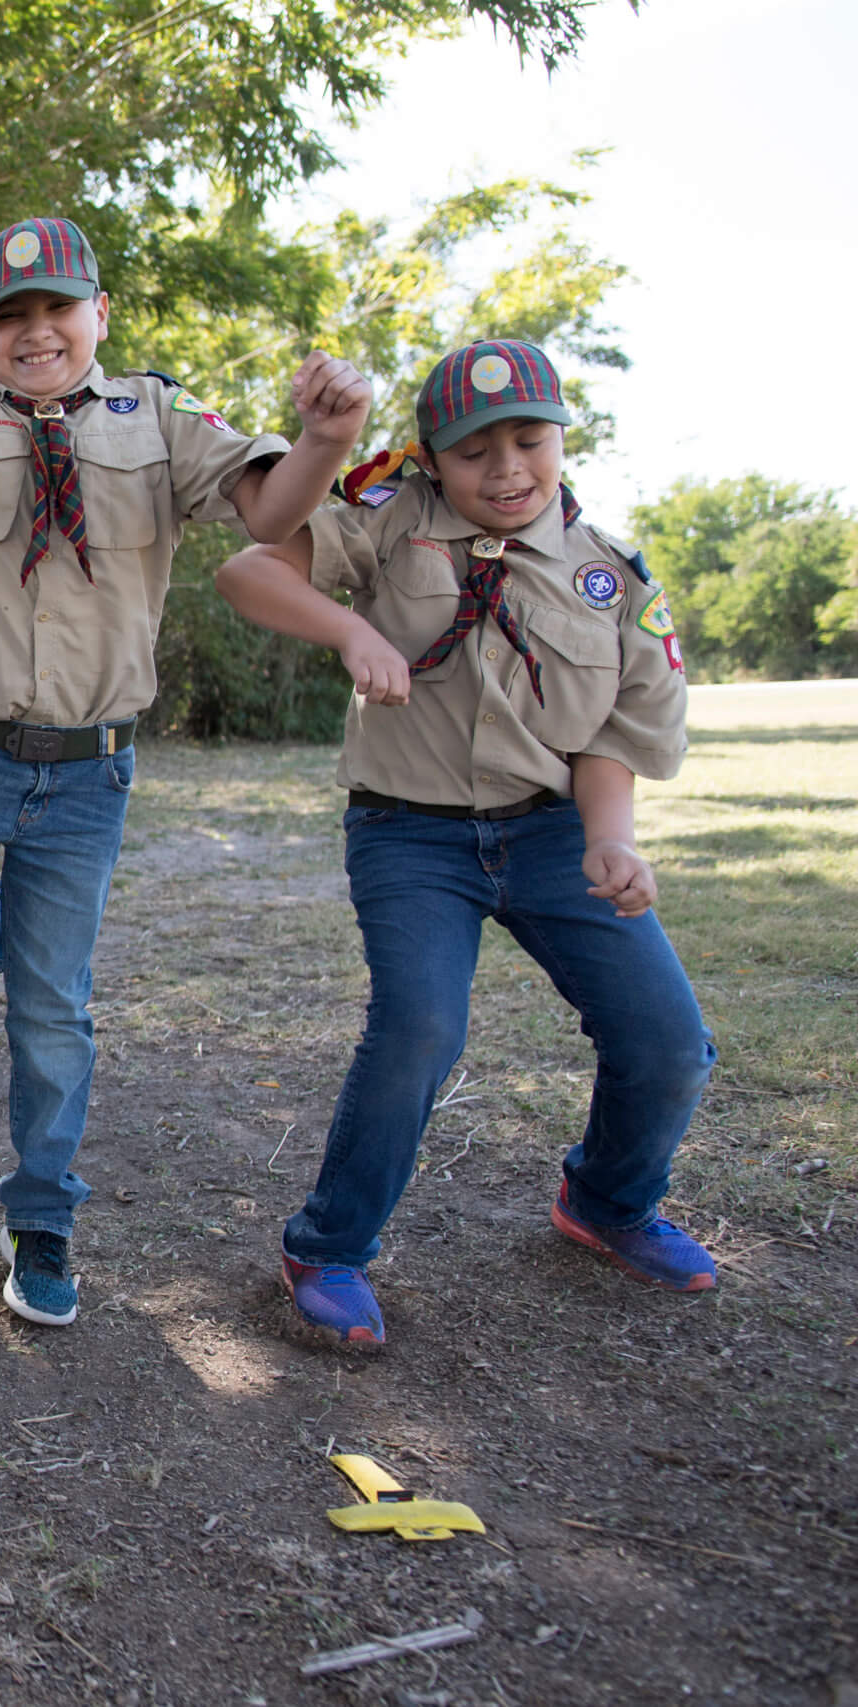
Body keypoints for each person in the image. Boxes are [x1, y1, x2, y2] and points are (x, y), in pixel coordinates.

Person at [0, 216, 371, 1327]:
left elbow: (268, 508)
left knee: (54, 1015)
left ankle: (41, 1215)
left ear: (99, 314)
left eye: (58, 309)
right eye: (9, 316)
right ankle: (31, 929)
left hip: (90, 770)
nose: (35, 332)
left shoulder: (155, 416)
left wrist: (326, 440)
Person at [211, 338, 717, 1346]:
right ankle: (327, 1247)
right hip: (411, 835)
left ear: (562, 440)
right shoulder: (393, 523)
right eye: (474, 452)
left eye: (528, 443)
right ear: (431, 458)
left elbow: (615, 733)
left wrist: (610, 843)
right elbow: (246, 570)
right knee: (418, 1031)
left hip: (551, 833)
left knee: (667, 1043)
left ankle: (607, 1205)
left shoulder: (610, 581)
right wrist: (352, 632)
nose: (506, 471)